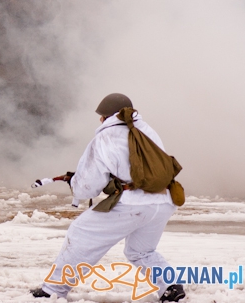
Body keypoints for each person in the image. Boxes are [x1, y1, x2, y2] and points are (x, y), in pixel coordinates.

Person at [32, 94, 185, 302]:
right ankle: (170, 286)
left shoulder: (105, 137)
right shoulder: (147, 130)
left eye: (101, 115)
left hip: (133, 203)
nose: (99, 119)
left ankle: (53, 290)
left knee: (80, 234)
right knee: (141, 251)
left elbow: (88, 184)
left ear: (107, 116)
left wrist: (75, 184)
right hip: (163, 200)